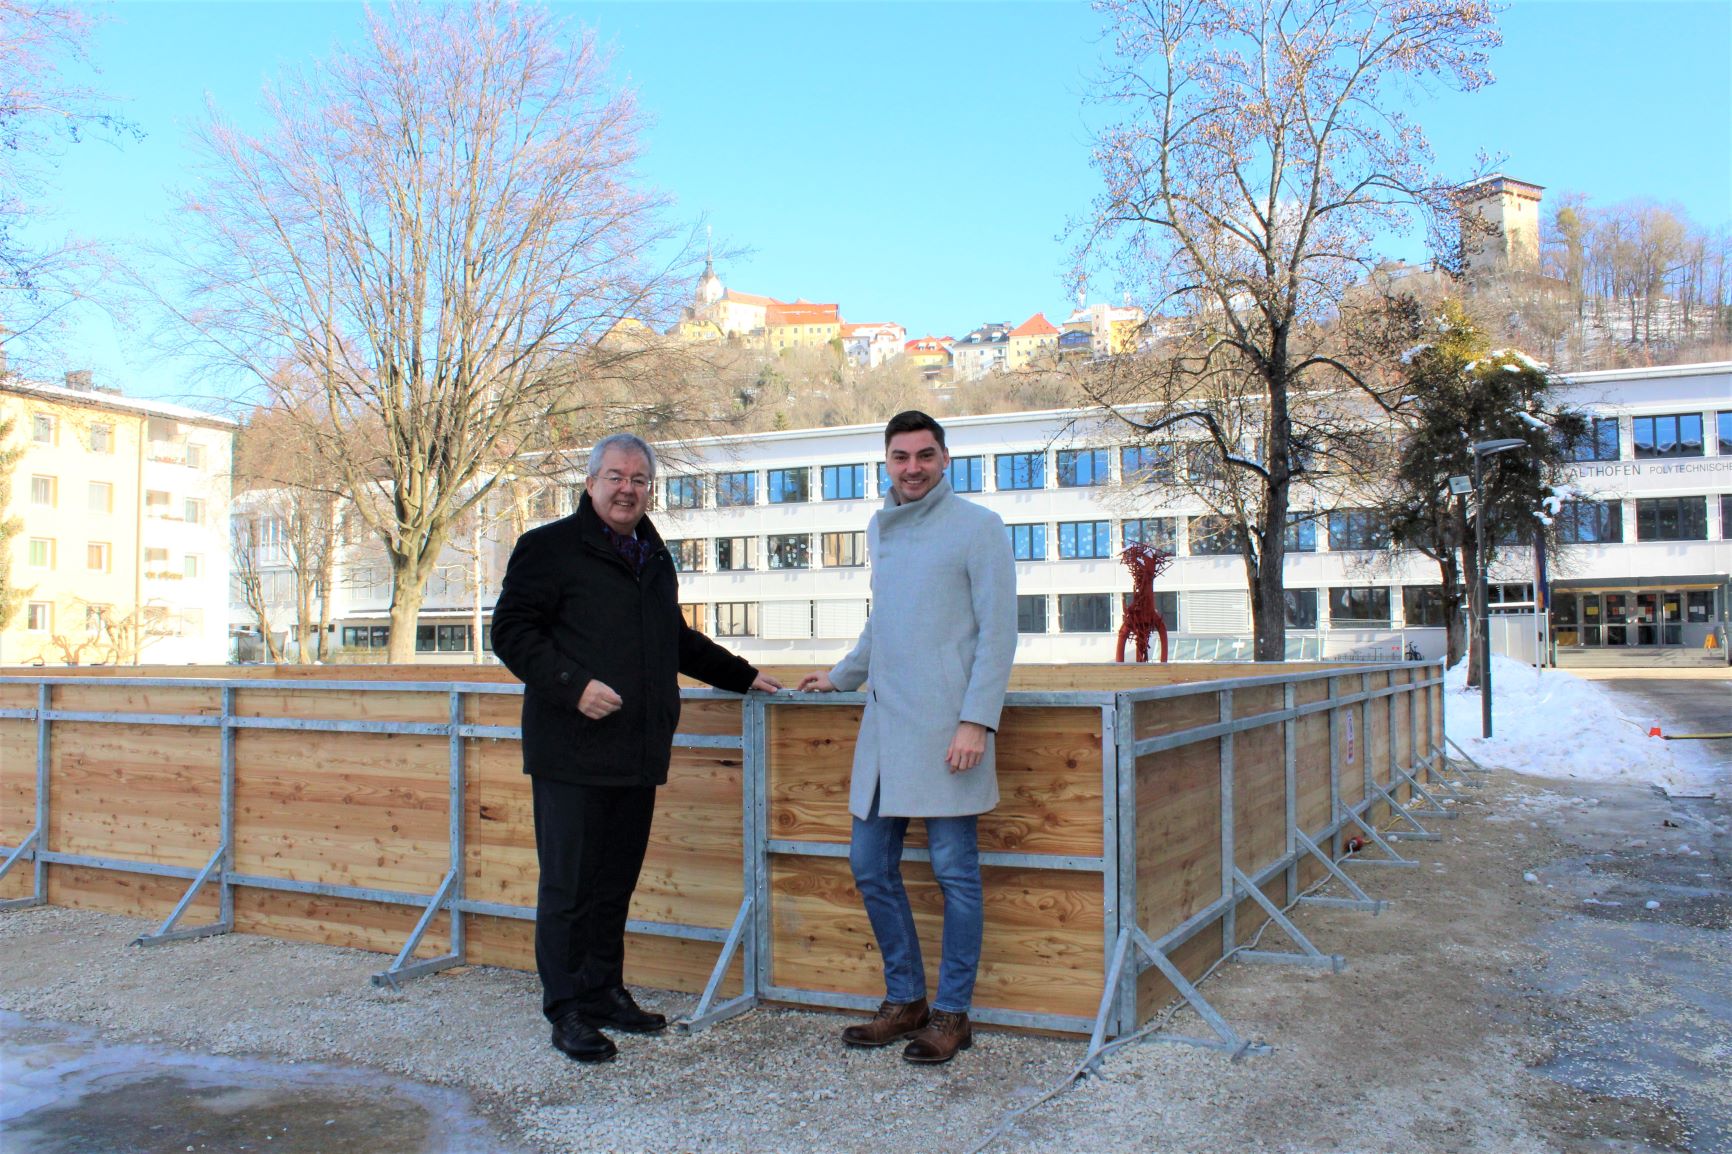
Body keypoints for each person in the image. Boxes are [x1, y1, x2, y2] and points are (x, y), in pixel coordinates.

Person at [491, 432, 781, 1064]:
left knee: (614, 883)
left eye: (639, 480)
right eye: (616, 477)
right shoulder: (548, 547)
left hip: (636, 749)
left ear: (651, 488)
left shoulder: (653, 555)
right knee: (569, 887)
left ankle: (603, 993)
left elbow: (674, 639)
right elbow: (510, 631)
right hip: (572, 750)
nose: (627, 489)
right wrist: (573, 686)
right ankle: (566, 1008)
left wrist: (743, 676)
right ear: (591, 482)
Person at [798, 410, 1016, 1064]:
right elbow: (884, 622)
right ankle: (906, 1000)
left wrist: (977, 719)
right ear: (887, 462)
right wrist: (841, 676)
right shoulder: (880, 527)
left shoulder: (979, 527)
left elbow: (999, 632)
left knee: (955, 873)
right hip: (886, 725)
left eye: (924, 455)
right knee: (869, 864)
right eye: (901, 457)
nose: (913, 468)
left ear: (945, 458)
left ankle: (952, 1014)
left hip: (951, 732)